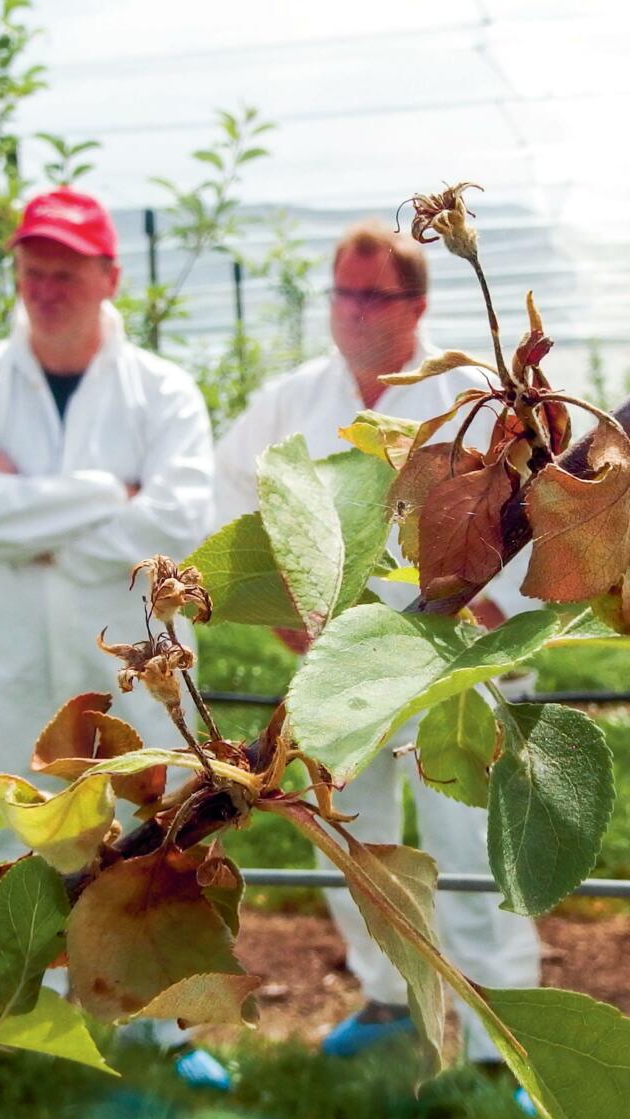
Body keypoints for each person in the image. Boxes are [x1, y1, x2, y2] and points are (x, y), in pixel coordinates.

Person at [213, 220, 541, 1065]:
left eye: (374, 295)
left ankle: (503, 1039)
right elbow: (229, 491)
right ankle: (392, 998)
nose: (354, 311)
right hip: (345, 669)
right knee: (351, 837)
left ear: (417, 303)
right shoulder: (294, 400)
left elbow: (534, 500)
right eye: (343, 292)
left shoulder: (463, 393)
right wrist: (283, 598)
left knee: (467, 843)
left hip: (454, 663)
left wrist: (493, 605)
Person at [0, 189, 216, 850]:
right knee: (8, 835)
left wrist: (32, 524)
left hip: (134, 674)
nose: (45, 289)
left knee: (153, 836)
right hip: (13, 667)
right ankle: (9, 958)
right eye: (33, 272)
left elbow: (176, 521)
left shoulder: (164, 391)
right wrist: (114, 492)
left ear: (110, 279)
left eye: (65, 273)